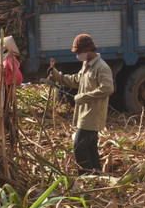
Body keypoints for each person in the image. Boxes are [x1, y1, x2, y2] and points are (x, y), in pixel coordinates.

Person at [47, 34, 114, 174]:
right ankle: (96, 175)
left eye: (79, 52)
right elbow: (76, 80)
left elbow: (108, 88)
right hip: (85, 113)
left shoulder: (102, 67)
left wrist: (85, 97)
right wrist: (58, 76)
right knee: (90, 147)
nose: (77, 55)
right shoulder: (87, 65)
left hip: (93, 114)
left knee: (79, 146)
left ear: (88, 50)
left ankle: (85, 177)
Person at [0, 36, 23, 144]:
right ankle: (10, 135)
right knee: (2, 112)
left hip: (6, 88)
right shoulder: (4, 58)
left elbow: (17, 74)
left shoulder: (9, 59)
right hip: (1, 88)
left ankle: (13, 135)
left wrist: (17, 83)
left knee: (3, 112)